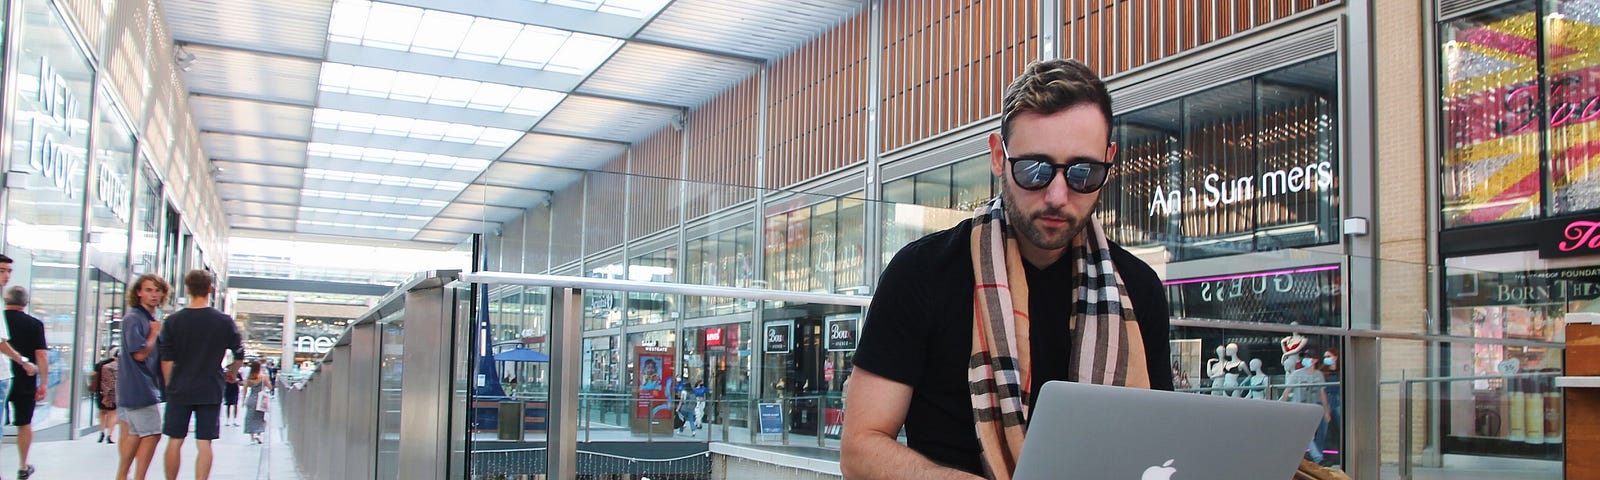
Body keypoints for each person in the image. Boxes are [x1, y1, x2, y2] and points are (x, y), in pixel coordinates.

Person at [840, 59, 1172, 480]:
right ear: (999, 156)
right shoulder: (921, 273)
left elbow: (1160, 446)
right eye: (1034, 170)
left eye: (1083, 173)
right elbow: (859, 449)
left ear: (1110, 161)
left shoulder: (1138, 287)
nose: (1056, 195)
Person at [157, 270, 244, 480]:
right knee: (204, 442)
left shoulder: (173, 321)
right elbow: (239, 354)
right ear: (210, 290)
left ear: (187, 289)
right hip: (210, 386)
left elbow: (166, 359)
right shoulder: (223, 321)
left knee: (175, 440)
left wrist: (171, 385)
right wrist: (231, 373)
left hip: (180, 386)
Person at [118, 273, 169, 480]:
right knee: (152, 434)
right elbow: (139, 353)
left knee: (135, 433)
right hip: (139, 385)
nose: (154, 295)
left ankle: (122, 476)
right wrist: (154, 333)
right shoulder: (135, 319)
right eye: (148, 290)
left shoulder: (148, 318)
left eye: (158, 291)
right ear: (138, 293)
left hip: (140, 385)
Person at [4, 286, 48, 479]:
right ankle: (22, 465)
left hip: (2, 375)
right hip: (25, 378)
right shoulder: (34, 324)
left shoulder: (1, 320)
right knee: (24, 423)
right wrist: (43, 382)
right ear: (26, 303)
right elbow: (41, 355)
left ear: (6, 300)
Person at [1280, 350, 1331, 466]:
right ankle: (1318, 458)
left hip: (1311, 409)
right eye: (1306, 357)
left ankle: (1294, 458)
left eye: (1309, 357)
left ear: (1315, 360)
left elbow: (1322, 393)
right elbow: (1287, 391)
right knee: (1306, 434)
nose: (1306, 359)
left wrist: (1326, 411)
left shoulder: (1318, 375)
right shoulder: (1297, 374)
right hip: (1298, 409)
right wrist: (1282, 405)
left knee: (1304, 435)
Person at [93, 348, 120, 443]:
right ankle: (109, 435)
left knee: (102, 413)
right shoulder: (116, 366)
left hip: (100, 392)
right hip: (112, 393)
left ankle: (101, 432)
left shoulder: (100, 364)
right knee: (112, 414)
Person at [241, 361, 272, 444]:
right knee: (260, 418)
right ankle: (258, 433)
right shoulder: (263, 377)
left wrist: (243, 400)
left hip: (251, 399)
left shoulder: (249, 378)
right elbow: (270, 387)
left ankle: (252, 438)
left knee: (250, 418)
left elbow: (245, 390)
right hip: (261, 400)